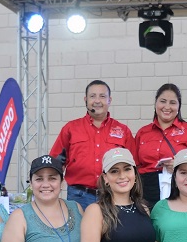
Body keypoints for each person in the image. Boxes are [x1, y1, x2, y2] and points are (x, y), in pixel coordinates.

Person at [50, 80, 137, 208]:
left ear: (109, 100)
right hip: (78, 196)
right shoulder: (71, 129)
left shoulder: (123, 131)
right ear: (85, 99)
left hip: (113, 195)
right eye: (92, 96)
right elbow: (56, 163)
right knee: (80, 229)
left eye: (102, 96)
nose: (97, 101)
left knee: (112, 229)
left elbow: (134, 166)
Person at [135, 83, 187, 207]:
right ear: (155, 104)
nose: (167, 107)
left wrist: (180, 165)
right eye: (163, 101)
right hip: (145, 190)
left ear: (179, 106)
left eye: (172, 102)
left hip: (177, 187)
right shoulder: (143, 132)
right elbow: (134, 167)